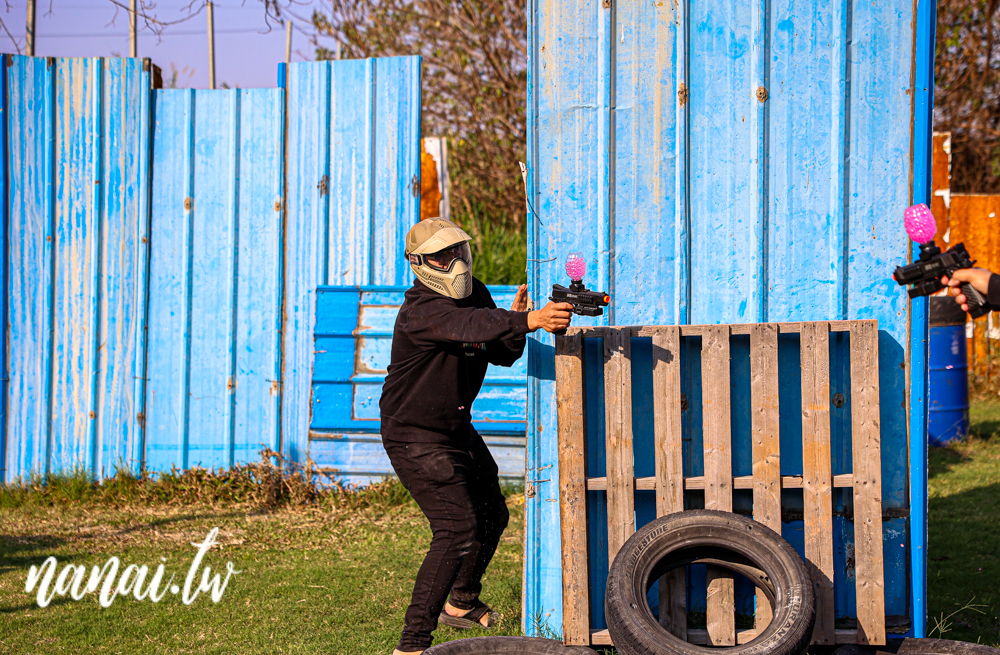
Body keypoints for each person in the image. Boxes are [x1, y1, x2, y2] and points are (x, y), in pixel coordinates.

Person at [379, 218, 574, 655]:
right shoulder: (421, 309)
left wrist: (519, 321)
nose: (455, 263)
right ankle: (411, 646)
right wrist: (527, 319)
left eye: (460, 252)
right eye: (443, 257)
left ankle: (461, 602)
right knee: (455, 528)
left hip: (455, 426)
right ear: (419, 264)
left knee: (493, 516)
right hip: (414, 434)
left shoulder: (477, 294)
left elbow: (502, 352)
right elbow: (470, 328)